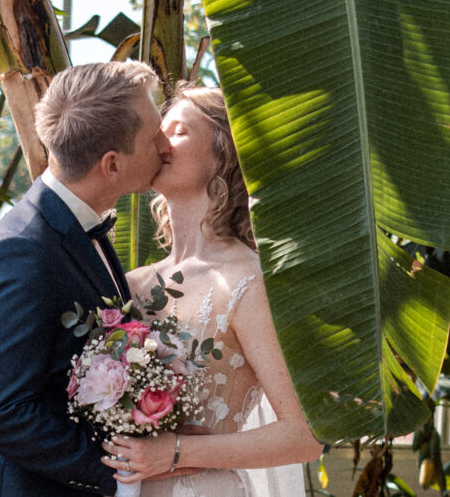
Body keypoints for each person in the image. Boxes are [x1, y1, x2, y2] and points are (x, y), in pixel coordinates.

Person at [0, 61, 170, 497]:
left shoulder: (75, 227)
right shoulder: (23, 252)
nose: (164, 146)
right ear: (111, 164)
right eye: (153, 137)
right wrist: (116, 475)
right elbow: (2, 413)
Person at [100, 85, 323, 496]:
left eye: (178, 132)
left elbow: (304, 436)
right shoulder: (130, 284)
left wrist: (177, 452)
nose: (159, 144)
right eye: (154, 133)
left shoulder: (248, 282)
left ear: (224, 154)